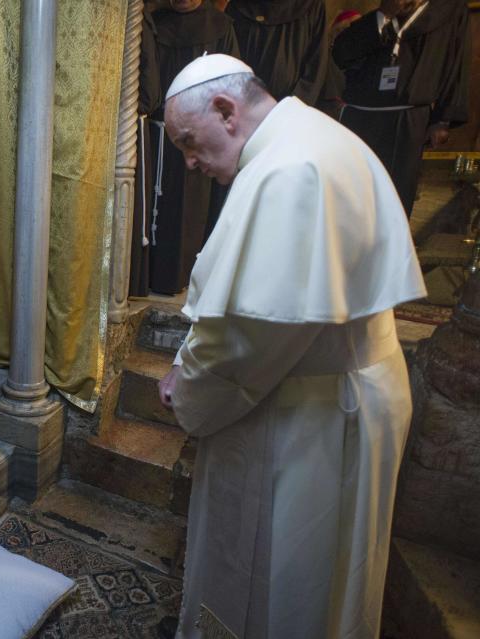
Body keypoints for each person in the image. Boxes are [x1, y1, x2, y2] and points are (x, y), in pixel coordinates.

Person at [156, 54, 427, 638]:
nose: (190, 162)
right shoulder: (308, 139)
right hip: (336, 389)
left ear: (226, 110)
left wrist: (186, 386)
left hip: (322, 413)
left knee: (292, 583)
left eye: (188, 142)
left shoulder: (289, 169)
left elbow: (248, 340)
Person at [129, 0, 240, 296]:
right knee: (155, 209)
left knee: (188, 213)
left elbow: (232, 83)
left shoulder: (220, 27)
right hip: (157, 133)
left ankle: (180, 279)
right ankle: (150, 277)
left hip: (200, 137)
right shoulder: (153, 21)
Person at [332, 0, 471, 217]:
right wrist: (383, 16)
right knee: (349, 200)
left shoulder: (450, 9)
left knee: (393, 203)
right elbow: (340, 54)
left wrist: (443, 118)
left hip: (408, 119)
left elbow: (456, 63)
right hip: (359, 115)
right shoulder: (386, 9)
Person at [226, 0, 329, 105]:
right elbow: (227, 56)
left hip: (288, 107)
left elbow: (317, 63)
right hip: (240, 101)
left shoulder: (312, 6)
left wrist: (295, 105)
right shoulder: (239, 5)